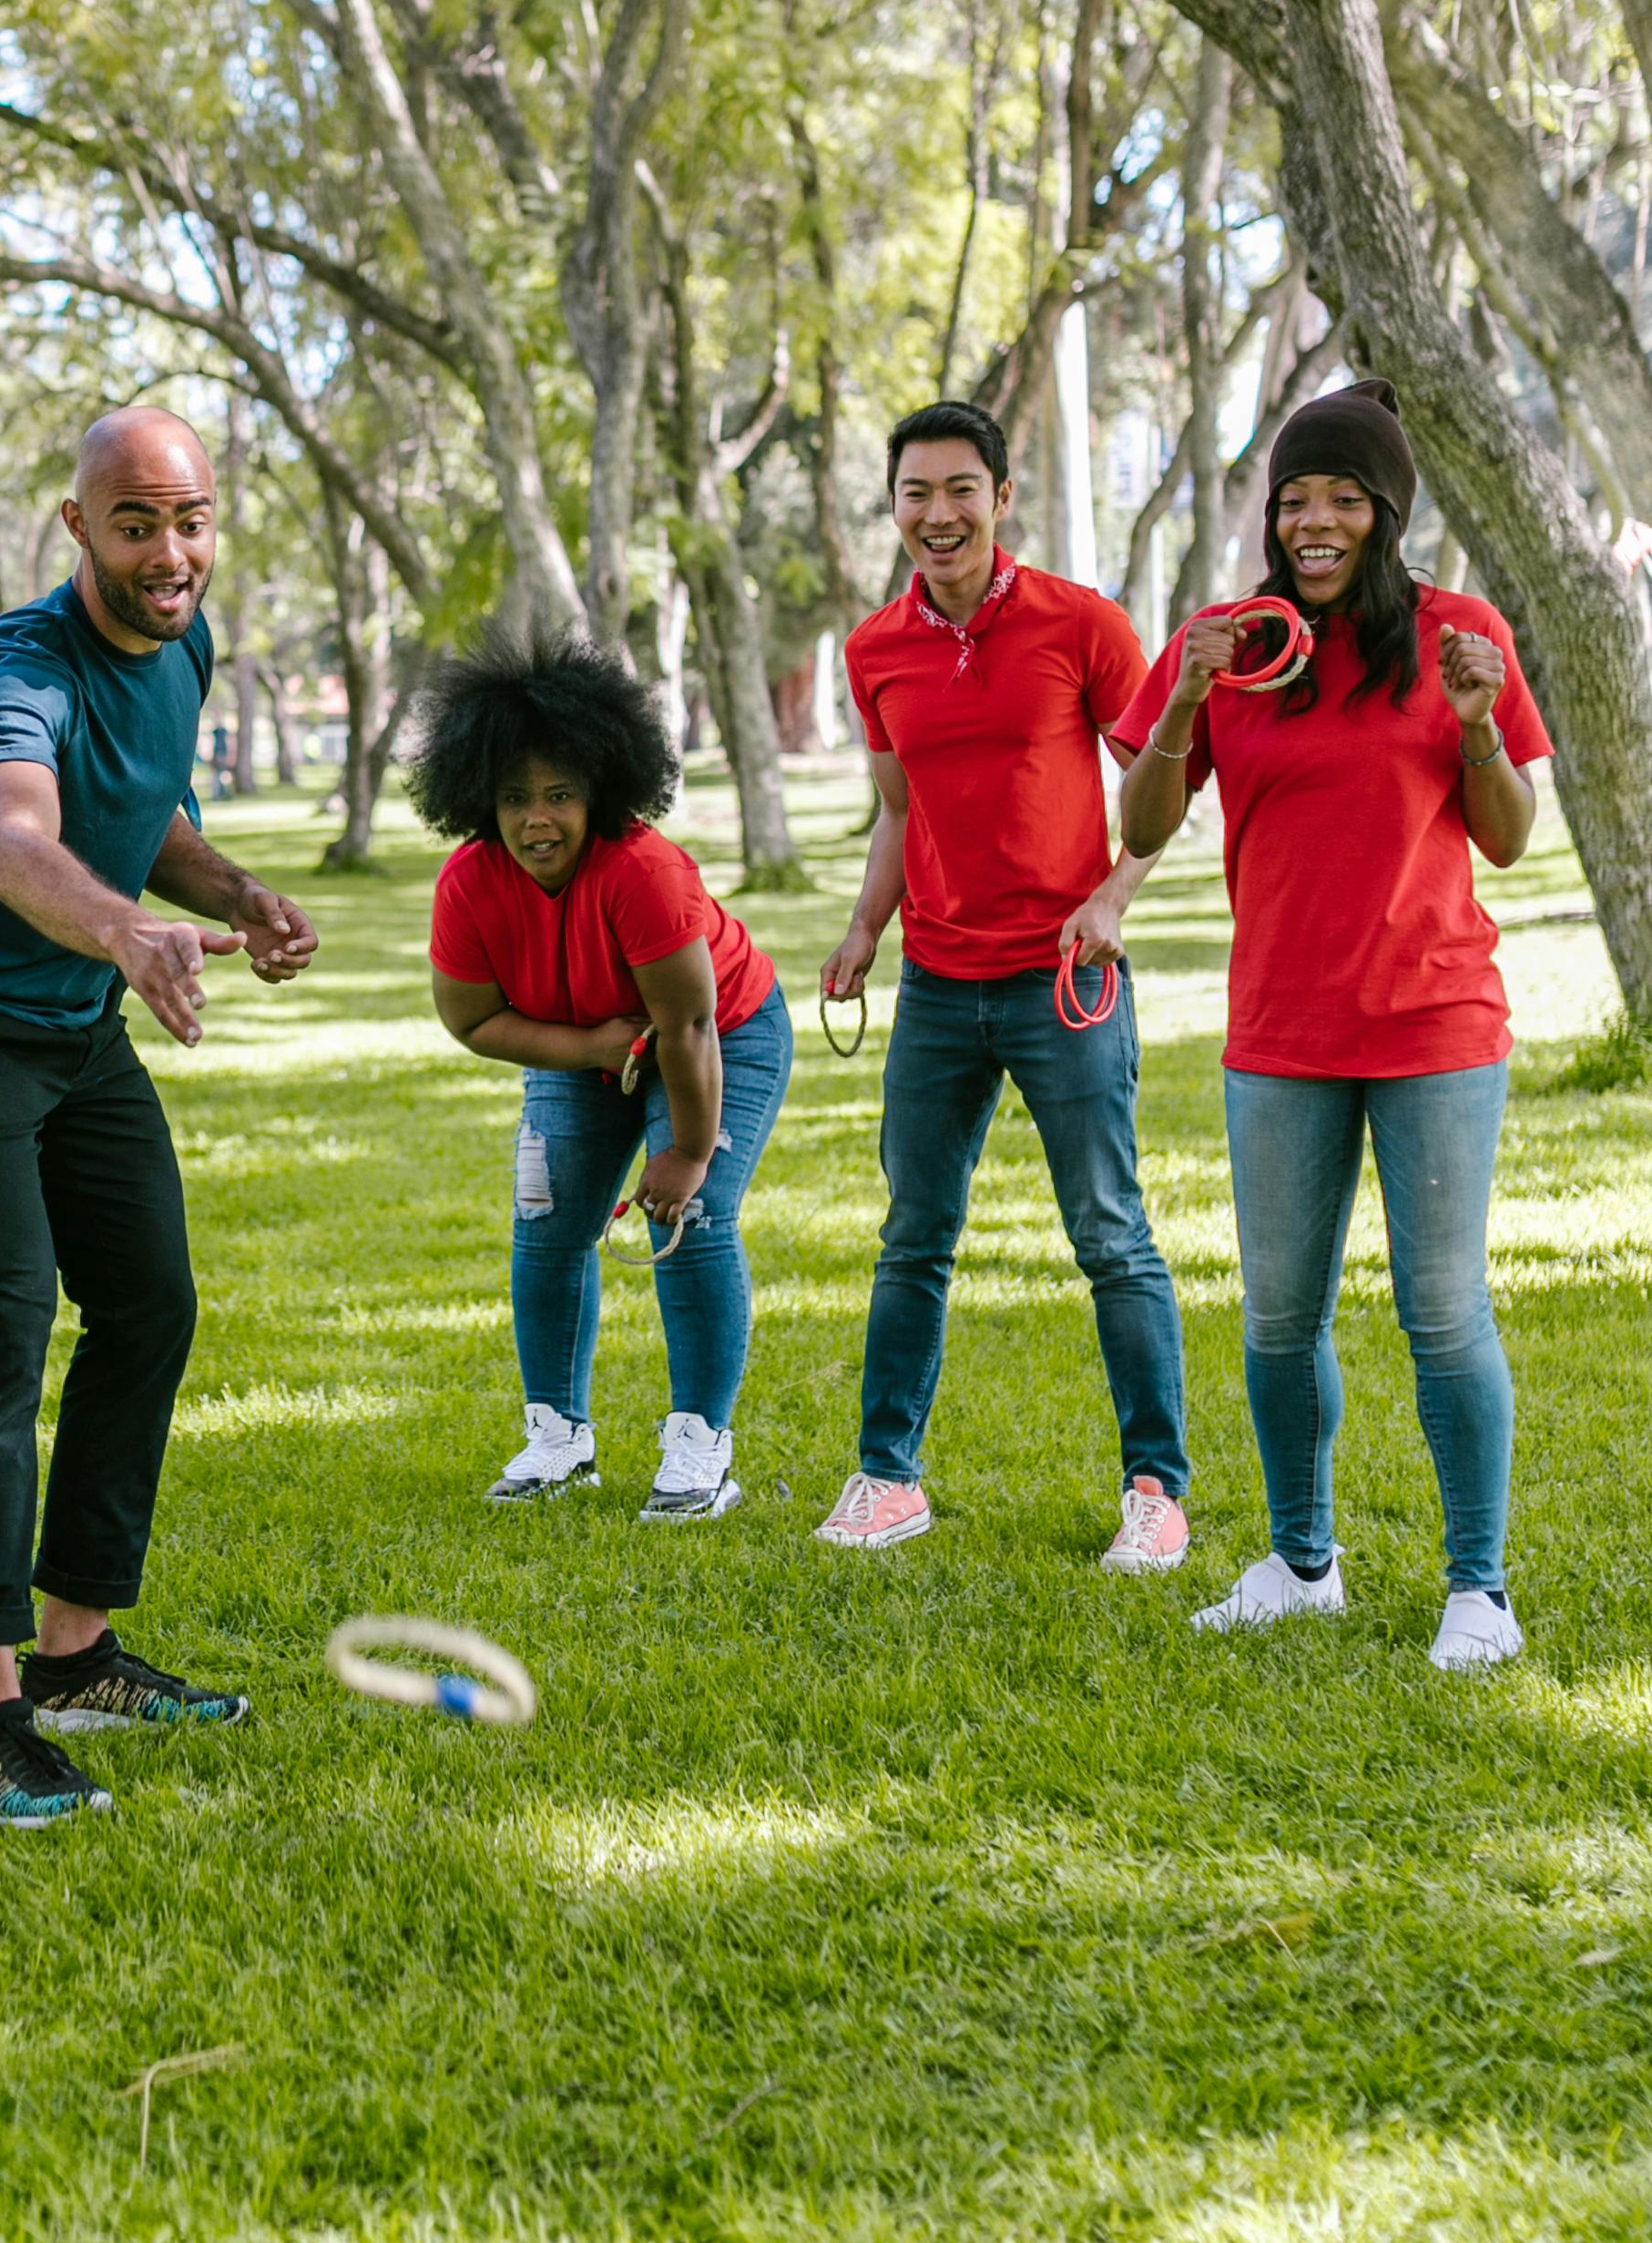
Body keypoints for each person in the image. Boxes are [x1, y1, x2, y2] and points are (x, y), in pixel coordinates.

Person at [0, 407, 320, 1824]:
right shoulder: (14, 671)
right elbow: (16, 839)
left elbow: (140, 813)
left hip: (74, 1031)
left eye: (190, 520)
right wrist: (125, 936)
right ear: (77, 529)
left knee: (150, 1305)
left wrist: (231, 896)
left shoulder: (184, 644)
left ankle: (77, 1655)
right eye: (135, 523)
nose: (170, 552)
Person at [1114, 382, 1547, 1669]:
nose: (1314, 520)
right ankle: (1303, 1563)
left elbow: (1511, 840)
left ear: (1385, 511)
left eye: (1342, 497)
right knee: (1277, 1318)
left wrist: (1474, 728)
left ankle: (1480, 1590)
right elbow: (1138, 828)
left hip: (1436, 1026)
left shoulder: (1461, 634)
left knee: (1441, 1310)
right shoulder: (1229, 645)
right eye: (1295, 498)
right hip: (1281, 1034)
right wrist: (1184, 702)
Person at [816, 398, 1189, 1566]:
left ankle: (1156, 1489)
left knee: (1110, 1234)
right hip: (937, 984)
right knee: (914, 1236)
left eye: (959, 489)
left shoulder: (1079, 623)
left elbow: (1163, 782)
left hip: (1065, 978)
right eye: (916, 493)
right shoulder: (875, 648)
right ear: (894, 507)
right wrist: (865, 928)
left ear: (1000, 495)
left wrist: (1113, 896)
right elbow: (897, 805)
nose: (938, 514)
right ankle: (888, 1477)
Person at [412, 628, 792, 1519]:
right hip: (584, 1041)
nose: (535, 818)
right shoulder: (470, 884)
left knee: (691, 1216)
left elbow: (689, 1022)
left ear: (600, 792)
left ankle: (701, 1448)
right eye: (513, 798)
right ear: (478, 799)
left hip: (719, 1035)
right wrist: (588, 1048)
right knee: (546, 1221)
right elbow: (471, 1018)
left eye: (558, 794)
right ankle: (559, 1438)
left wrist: (689, 1153)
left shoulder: (643, 871)